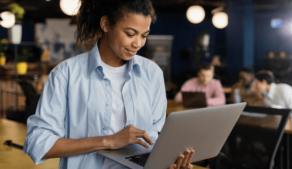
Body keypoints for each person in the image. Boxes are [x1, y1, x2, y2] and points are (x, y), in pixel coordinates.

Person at [23, 1, 195, 169]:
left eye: (144, 35)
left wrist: (170, 162)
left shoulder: (152, 73)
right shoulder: (66, 74)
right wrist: (107, 141)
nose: (138, 44)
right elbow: (37, 142)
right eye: (130, 33)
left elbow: (156, 139)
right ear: (105, 24)